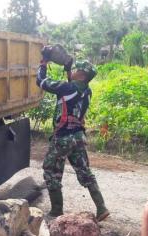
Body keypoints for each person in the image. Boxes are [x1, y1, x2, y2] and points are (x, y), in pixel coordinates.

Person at [36, 55, 109, 221]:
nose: (73, 71)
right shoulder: (87, 91)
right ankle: (101, 207)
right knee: (85, 172)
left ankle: (56, 210)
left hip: (62, 138)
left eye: (76, 69)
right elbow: (72, 86)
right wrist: (68, 69)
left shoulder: (65, 88)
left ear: (82, 74)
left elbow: (41, 81)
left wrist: (43, 63)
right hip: (78, 137)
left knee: (51, 171)